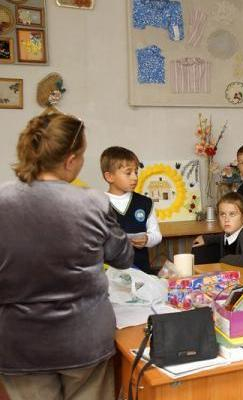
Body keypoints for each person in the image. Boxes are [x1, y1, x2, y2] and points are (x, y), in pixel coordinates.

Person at [0, 113, 133, 400]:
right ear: (70, 160)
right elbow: (123, 257)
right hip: (84, 341)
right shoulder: (93, 203)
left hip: (21, 344)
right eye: (82, 155)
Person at [100, 146, 162, 275]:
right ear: (109, 177)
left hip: (142, 272)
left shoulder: (145, 202)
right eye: (128, 173)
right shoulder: (97, 204)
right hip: (110, 275)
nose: (134, 177)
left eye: (136, 172)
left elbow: (156, 235)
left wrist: (147, 239)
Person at [192, 192, 243, 268]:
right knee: (199, 251)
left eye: (232, 214)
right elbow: (223, 237)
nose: (226, 219)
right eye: (222, 214)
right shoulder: (234, 229)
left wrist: (224, 259)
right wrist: (206, 239)